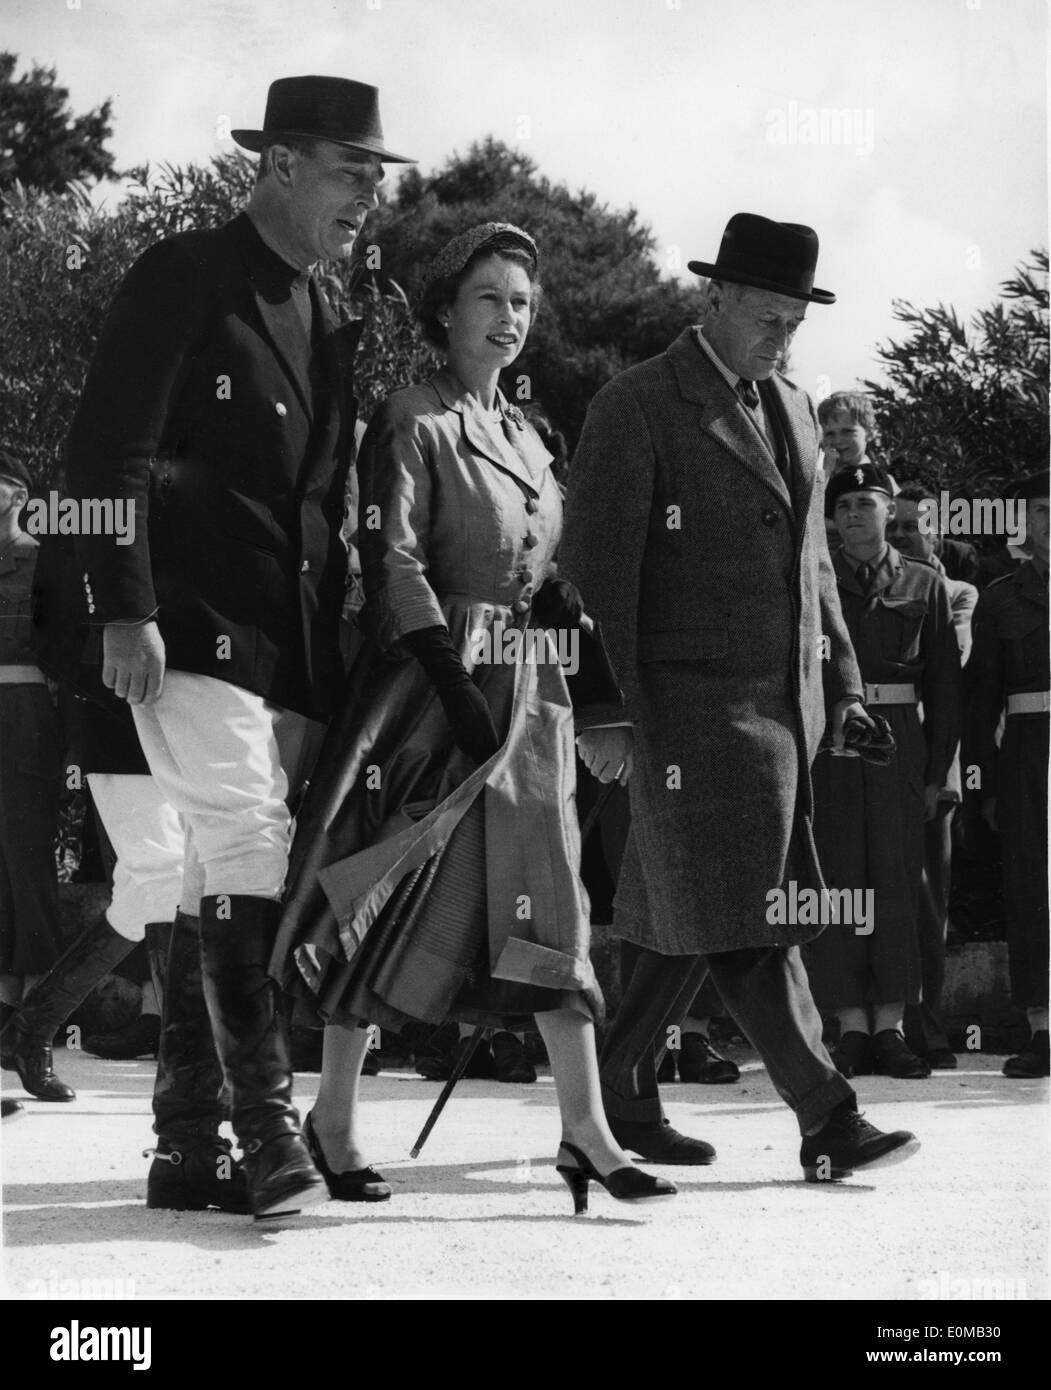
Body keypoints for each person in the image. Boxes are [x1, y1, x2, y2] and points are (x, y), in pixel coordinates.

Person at [51, 76, 412, 1220]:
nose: (367, 197)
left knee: (215, 866)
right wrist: (125, 606)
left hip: (278, 645)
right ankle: (268, 1132)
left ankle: (183, 1144)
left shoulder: (324, 314)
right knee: (245, 836)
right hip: (183, 622)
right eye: (351, 172)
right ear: (280, 164)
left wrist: (325, 665)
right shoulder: (184, 275)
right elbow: (106, 451)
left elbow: (312, 512)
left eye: (376, 178)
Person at [273, 222, 675, 1214]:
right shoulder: (411, 418)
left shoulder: (532, 437)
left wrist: (562, 616)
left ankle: (584, 1131)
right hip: (431, 691)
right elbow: (395, 559)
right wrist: (449, 678)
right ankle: (331, 1117)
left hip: (529, 700)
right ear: (446, 311)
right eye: (489, 297)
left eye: (523, 304)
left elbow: (543, 564)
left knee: (555, 902)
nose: (508, 317)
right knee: (385, 900)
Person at [558, 212, 919, 1180]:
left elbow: (812, 570)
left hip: (784, 711)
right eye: (767, 315)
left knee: (695, 910)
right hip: (685, 712)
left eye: (794, 321)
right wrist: (602, 711)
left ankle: (616, 1096)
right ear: (713, 297)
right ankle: (827, 1114)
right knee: (750, 909)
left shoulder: (798, 408)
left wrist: (842, 686)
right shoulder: (635, 404)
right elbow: (592, 571)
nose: (781, 335)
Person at [804, 467, 962, 1079]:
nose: (851, 515)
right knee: (840, 877)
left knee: (897, 881)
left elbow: (948, 688)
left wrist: (940, 773)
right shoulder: (813, 581)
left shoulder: (925, 583)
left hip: (901, 741)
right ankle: (848, 1025)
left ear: (889, 510)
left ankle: (891, 1026)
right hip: (832, 743)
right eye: (841, 505)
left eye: (864, 504)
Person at [888, 485, 978, 1068]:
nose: (901, 538)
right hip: (876, 758)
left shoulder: (956, 591)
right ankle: (873, 1022)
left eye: (913, 528)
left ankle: (927, 1019)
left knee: (926, 898)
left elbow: (957, 656)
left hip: (933, 762)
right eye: (893, 528)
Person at [965, 471, 1049, 1079]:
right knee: (1031, 887)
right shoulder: (998, 598)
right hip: (1027, 754)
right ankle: (1041, 1027)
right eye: (1041, 511)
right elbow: (981, 701)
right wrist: (986, 784)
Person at [0, 449, 66, 1089]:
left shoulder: (45, 561)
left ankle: (38, 1000)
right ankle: (5, 997)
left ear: (20, 492)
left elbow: (58, 652)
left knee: (26, 854)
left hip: (24, 713)